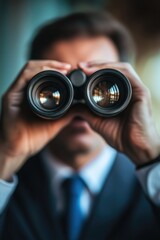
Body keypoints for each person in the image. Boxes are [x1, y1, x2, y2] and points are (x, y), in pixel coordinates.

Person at [0, 11, 160, 240]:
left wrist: (150, 156)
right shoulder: (6, 177)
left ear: (128, 87)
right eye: (57, 86)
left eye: (102, 86)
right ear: (31, 87)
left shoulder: (151, 185)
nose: (79, 110)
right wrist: (5, 155)